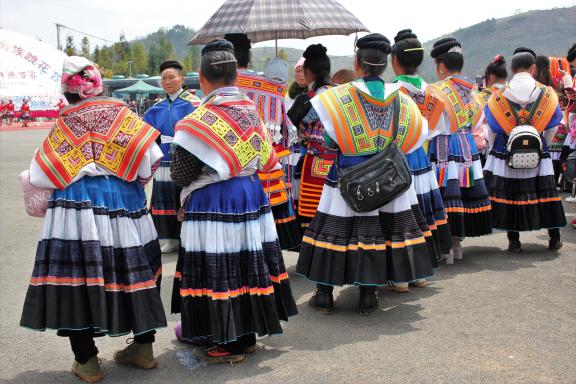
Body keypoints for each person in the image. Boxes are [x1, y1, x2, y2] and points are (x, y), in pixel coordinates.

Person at [19, 56, 166, 383]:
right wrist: (133, 184)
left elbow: (43, 175)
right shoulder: (121, 115)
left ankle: (86, 362)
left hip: (76, 205)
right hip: (125, 200)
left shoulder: (65, 122)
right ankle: (143, 350)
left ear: (67, 91)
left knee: (78, 277)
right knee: (136, 271)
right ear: (98, 84)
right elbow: (151, 159)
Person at [170, 39, 297, 364]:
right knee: (246, 264)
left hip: (214, 202)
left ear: (201, 76)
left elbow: (182, 175)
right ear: (233, 75)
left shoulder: (195, 123)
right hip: (250, 195)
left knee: (220, 269)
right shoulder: (251, 113)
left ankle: (226, 342)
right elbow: (267, 159)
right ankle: (247, 335)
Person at [296, 33, 434, 315]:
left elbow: (310, 125)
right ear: (385, 64)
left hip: (346, 176)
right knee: (376, 231)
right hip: (388, 178)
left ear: (357, 62)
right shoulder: (404, 100)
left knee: (334, 230)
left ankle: (324, 293)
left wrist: (342, 142)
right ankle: (368, 295)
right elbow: (419, 135)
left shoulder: (336, 97)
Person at [483, 47, 566, 251]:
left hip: (506, 152)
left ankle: (514, 241)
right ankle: (554, 237)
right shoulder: (547, 94)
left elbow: (491, 130)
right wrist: (540, 142)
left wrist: (499, 148)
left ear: (512, 69)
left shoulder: (498, 97)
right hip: (539, 152)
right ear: (533, 68)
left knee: (511, 195)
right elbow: (554, 126)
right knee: (545, 194)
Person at [226, 33, 300, 250]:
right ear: (248, 56)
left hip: (228, 162)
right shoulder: (271, 89)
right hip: (264, 165)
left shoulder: (217, 89)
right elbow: (285, 134)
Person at [390, 29, 451, 279]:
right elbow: (438, 129)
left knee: (400, 216)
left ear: (394, 61)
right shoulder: (433, 94)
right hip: (420, 158)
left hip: (395, 160)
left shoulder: (390, 91)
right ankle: (421, 274)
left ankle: (402, 276)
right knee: (422, 214)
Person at [428, 37, 493, 260]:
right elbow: (478, 126)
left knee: (445, 193)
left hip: (444, 147)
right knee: (463, 194)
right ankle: (457, 244)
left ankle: (444, 247)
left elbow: (431, 126)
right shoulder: (474, 92)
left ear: (441, 66)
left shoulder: (435, 91)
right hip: (467, 148)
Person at [143, 60, 197, 253]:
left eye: (171, 77)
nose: (167, 81)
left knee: (185, 196)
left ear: (181, 78)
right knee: (165, 197)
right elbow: (146, 133)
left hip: (187, 161)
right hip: (164, 161)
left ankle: (187, 236)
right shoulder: (157, 107)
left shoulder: (194, 104)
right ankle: (171, 237)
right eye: (164, 78)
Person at [287, 44, 336, 236]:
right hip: (338, 164)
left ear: (308, 72)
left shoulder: (307, 101)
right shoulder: (340, 94)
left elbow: (289, 128)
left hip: (313, 165)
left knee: (311, 216)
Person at [474, 55, 509, 165]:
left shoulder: (482, 96)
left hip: (489, 145)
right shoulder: (511, 93)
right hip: (510, 141)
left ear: (492, 77)